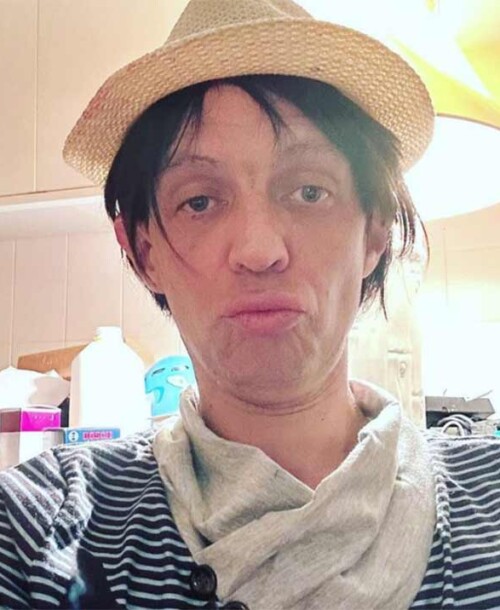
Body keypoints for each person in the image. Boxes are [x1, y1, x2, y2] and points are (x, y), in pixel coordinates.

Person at [1, 0, 500, 608]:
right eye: (200, 202)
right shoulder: (36, 530)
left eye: (310, 191)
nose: (260, 251)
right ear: (141, 248)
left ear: (375, 231)